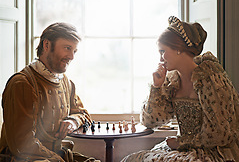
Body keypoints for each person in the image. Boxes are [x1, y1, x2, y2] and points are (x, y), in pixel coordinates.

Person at [121, 16, 239, 162]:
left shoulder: (210, 78)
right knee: (132, 159)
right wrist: (156, 87)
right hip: (183, 149)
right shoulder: (172, 81)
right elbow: (150, 122)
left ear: (178, 49)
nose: (161, 58)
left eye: (163, 51)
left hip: (213, 152)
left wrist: (181, 142)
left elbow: (221, 134)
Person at [0, 22, 100, 162]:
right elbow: (22, 145)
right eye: (67, 48)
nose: (71, 56)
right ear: (46, 45)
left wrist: (73, 121)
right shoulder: (22, 84)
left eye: (74, 51)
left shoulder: (65, 82)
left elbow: (83, 114)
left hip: (56, 156)